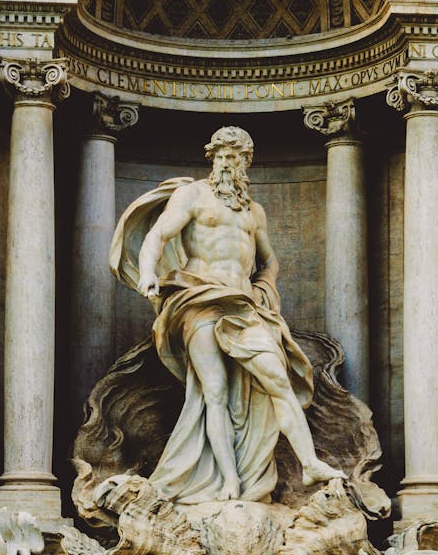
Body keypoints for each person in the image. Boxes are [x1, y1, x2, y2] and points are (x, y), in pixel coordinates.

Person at [110, 126, 345, 504]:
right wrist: (149, 272)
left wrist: (265, 288)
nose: (225, 163)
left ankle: (310, 462)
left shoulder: (254, 212)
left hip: (243, 305)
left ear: (246, 163)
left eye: (233, 157)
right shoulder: (192, 195)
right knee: (214, 392)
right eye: (219, 156)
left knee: (278, 379)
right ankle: (229, 482)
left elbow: (269, 260)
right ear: (211, 158)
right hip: (199, 299)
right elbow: (158, 235)